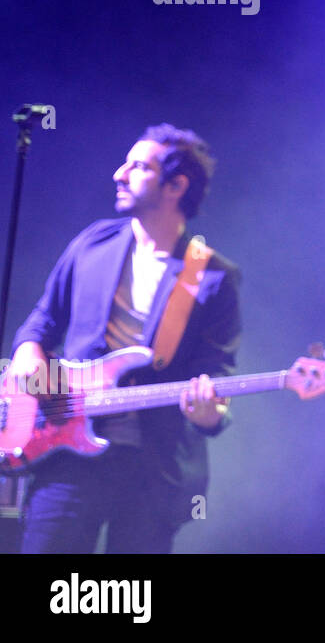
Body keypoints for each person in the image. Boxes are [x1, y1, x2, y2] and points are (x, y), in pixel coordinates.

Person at [5, 124, 241, 552]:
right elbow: (42, 321)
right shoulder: (91, 244)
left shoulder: (213, 277)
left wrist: (209, 414)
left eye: (136, 166)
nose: (118, 173)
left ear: (176, 185)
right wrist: (27, 356)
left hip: (153, 470)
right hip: (66, 453)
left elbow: (217, 376)